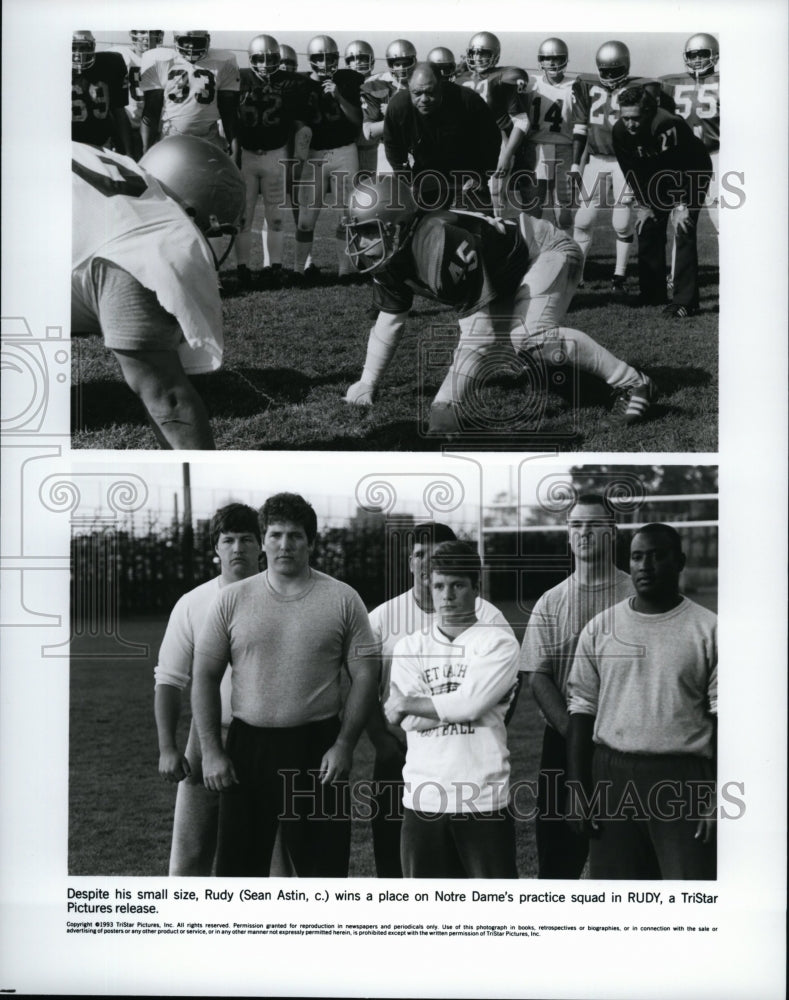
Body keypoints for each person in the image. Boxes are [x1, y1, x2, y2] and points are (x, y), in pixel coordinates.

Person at [342, 174, 658, 434]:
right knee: (528, 349)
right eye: (357, 232)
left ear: (398, 224)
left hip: (546, 250)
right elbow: (389, 320)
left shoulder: (437, 242)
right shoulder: (392, 255)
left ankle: (633, 384)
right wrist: (367, 383)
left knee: (531, 338)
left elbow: (479, 333)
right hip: (508, 271)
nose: (360, 243)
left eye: (369, 231)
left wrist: (446, 402)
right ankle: (576, 379)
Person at [191, 493, 379, 877]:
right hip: (248, 749)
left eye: (295, 535)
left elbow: (365, 674)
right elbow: (205, 677)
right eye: (275, 534)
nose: (284, 545)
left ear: (311, 542)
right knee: (237, 877)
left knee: (323, 876)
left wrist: (344, 745)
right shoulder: (232, 600)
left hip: (317, 749)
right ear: (263, 540)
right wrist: (211, 750)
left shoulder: (343, 599)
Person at [71, 135, 245, 449]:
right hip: (134, 253)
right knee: (166, 396)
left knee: (166, 396)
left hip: (118, 254)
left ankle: (200, 490)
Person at [566, 524, 717, 879]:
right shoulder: (601, 628)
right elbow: (581, 710)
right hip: (613, 774)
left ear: (679, 562)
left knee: (689, 898)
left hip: (683, 779)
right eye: (637, 556)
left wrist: (719, 795)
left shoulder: (708, 629)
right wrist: (576, 788)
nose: (645, 565)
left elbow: (727, 720)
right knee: (618, 903)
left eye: (656, 555)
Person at [367, 522, 514, 877]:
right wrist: (459, 706)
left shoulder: (497, 640)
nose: (447, 595)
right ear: (429, 588)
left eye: (458, 585)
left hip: (482, 798)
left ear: (476, 588)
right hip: (423, 799)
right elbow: (412, 722)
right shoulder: (410, 646)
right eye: (439, 586)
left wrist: (409, 703)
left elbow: (473, 705)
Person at [520, 494, 635, 878]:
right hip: (563, 742)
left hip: (626, 743)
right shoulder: (551, 602)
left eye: (593, 525)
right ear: (568, 537)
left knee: (626, 866)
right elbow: (537, 676)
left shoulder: (638, 594)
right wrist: (575, 735)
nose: (584, 533)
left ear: (612, 533)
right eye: (576, 526)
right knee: (556, 868)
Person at [154, 504, 261, 875]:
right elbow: (169, 678)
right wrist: (168, 747)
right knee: (190, 857)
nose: (237, 549)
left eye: (247, 539)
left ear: (261, 545)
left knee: (273, 858)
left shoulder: (284, 596)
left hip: (270, 737)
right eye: (228, 540)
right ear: (215, 547)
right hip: (207, 735)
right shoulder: (193, 603)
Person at [569, 41, 671, 295]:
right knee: (583, 219)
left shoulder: (642, 89)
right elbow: (580, 128)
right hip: (597, 159)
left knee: (621, 220)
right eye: (605, 71)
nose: (610, 77)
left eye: (615, 71)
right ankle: (575, 276)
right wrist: (574, 163)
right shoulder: (586, 85)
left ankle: (619, 275)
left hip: (624, 161)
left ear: (626, 67)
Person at [612, 85, 713, 317]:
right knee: (647, 225)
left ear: (648, 111)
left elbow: (679, 166)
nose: (629, 124)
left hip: (690, 173)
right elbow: (630, 170)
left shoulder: (666, 124)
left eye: (635, 118)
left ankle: (686, 301)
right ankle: (652, 292)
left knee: (683, 227)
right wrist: (644, 204)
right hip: (656, 173)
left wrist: (681, 205)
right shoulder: (620, 131)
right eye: (625, 118)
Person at [234, 34, 313, 289]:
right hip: (246, 155)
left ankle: (274, 267)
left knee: (276, 217)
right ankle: (243, 267)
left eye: (271, 59)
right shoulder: (239, 78)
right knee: (244, 217)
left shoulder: (292, 83)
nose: (266, 64)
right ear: (250, 59)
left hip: (276, 154)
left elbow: (301, 121)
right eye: (259, 58)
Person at [292, 35, 363, 283]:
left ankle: (346, 271)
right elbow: (300, 128)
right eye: (319, 58)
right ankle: (298, 270)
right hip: (315, 157)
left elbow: (357, 120)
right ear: (310, 60)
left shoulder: (346, 81)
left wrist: (339, 97)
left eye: (329, 57)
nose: (324, 62)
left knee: (347, 215)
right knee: (305, 219)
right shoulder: (301, 86)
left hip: (345, 152)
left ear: (337, 58)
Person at [383, 63, 501, 212]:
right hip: (426, 177)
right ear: (409, 87)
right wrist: (406, 180)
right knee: (423, 229)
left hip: (467, 175)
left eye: (430, 92)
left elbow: (491, 139)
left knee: (477, 227)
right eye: (417, 93)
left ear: (442, 85)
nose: (424, 99)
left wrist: (481, 175)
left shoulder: (468, 101)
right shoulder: (398, 107)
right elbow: (393, 147)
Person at [660, 34, 720, 288]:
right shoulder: (671, 84)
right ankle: (678, 275)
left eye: (702, 54)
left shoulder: (726, 82)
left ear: (714, 54)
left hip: (717, 155)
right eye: (693, 54)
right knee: (682, 220)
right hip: (685, 158)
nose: (697, 59)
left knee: (722, 220)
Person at [455, 32, 532, 215]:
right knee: (463, 199)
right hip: (466, 146)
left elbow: (521, 120)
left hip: (497, 145)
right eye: (474, 53)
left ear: (495, 55)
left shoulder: (504, 78)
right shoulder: (460, 79)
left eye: (484, 53)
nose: (478, 58)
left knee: (496, 199)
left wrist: (507, 155)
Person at [140, 31, 240, 160]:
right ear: (176, 40)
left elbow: (229, 113)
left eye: (197, 41)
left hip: (210, 138)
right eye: (186, 41)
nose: (191, 46)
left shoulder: (223, 62)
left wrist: (236, 152)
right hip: (172, 137)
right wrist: (146, 152)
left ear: (207, 40)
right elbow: (151, 112)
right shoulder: (161, 61)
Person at [523, 38, 577, 232]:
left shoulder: (575, 86)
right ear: (540, 60)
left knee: (563, 208)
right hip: (536, 146)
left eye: (558, 58)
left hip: (564, 147)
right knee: (532, 205)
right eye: (547, 58)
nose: (552, 63)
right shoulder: (530, 83)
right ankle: (530, 251)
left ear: (566, 59)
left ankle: (563, 251)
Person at [360, 39, 418, 178]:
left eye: (406, 63)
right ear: (390, 64)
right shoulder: (378, 86)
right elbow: (369, 132)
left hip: (419, 149)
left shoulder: (422, 85)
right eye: (397, 64)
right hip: (387, 150)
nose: (401, 68)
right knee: (389, 194)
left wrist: (397, 113)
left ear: (414, 61)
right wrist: (397, 116)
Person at [72, 31, 134, 156]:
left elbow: (119, 112)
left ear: (93, 46)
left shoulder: (110, 64)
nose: (78, 54)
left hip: (101, 145)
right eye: (73, 48)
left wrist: (128, 154)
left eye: (84, 47)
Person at [113, 30, 165, 159]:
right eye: (142, 32)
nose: (146, 37)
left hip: (156, 129)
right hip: (127, 127)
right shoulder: (121, 56)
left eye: (152, 32)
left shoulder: (165, 59)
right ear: (133, 34)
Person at [344, 41, 378, 179]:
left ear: (371, 61)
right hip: (349, 145)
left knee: (369, 185)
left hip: (372, 144)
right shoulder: (343, 84)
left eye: (362, 58)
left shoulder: (379, 81)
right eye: (353, 59)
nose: (357, 63)